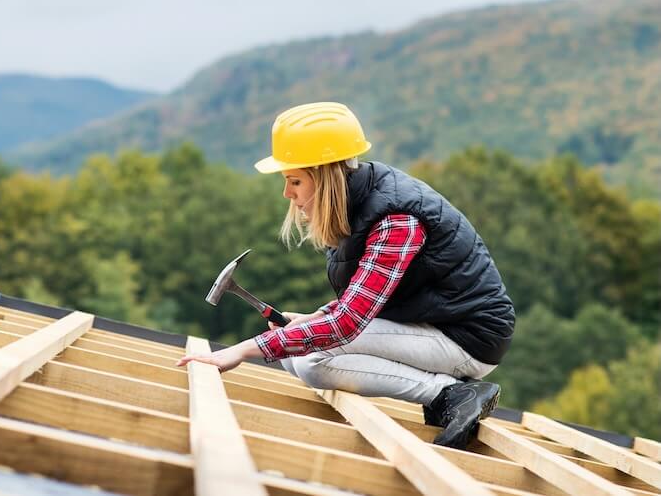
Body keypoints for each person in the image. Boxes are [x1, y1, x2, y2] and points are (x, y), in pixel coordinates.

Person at [177, 101, 515, 449]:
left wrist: (243, 350)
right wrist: (315, 318)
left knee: (313, 361)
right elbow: (367, 296)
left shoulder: (396, 220)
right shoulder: (357, 206)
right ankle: (446, 391)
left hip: (467, 338)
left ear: (325, 177)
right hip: (427, 325)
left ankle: (450, 393)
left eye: (295, 180)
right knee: (296, 353)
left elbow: (348, 322)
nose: (287, 194)